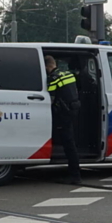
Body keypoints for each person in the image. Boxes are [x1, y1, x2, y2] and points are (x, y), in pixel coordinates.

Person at [45, 55, 81, 185]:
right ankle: (74, 173)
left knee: (68, 143)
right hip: (73, 109)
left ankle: (75, 176)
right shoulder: (68, 74)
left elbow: (50, 99)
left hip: (63, 113)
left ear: (47, 66)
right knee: (70, 142)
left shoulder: (53, 78)